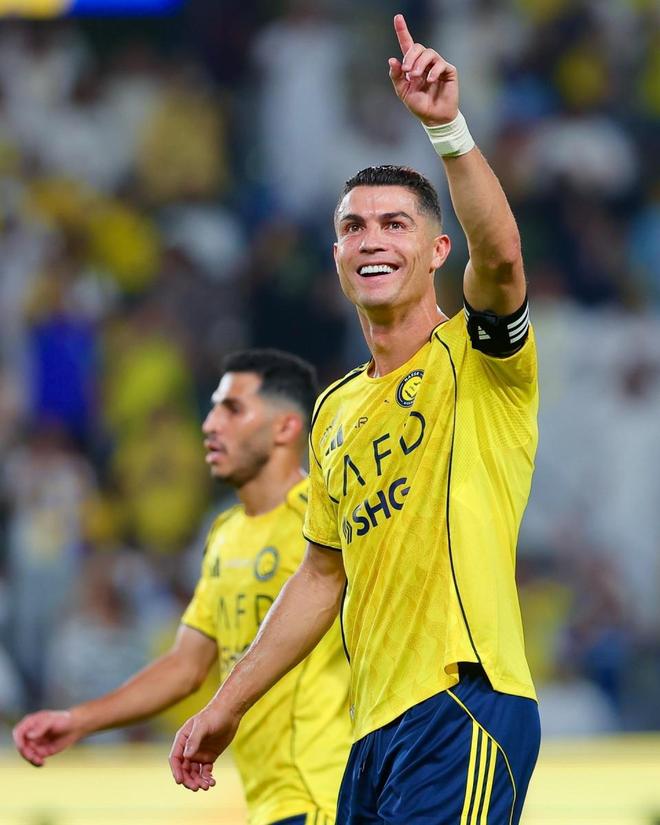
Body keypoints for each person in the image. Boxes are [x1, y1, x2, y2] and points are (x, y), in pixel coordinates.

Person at [169, 14, 541, 824]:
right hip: (369, 736)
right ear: (336, 256)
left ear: (438, 251)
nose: (372, 239)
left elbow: (503, 258)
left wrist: (447, 131)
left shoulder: (476, 356)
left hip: (463, 702)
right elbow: (320, 575)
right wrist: (228, 703)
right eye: (352, 227)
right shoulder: (334, 410)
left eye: (395, 223)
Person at [13, 349, 352, 825]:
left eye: (233, 409)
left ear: (285, 427)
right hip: (268, 802)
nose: (210, 425)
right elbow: (186, 666)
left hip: (327, 794)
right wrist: (79, 720)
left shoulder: (325, 517)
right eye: (212, 409)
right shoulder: (225, 533)